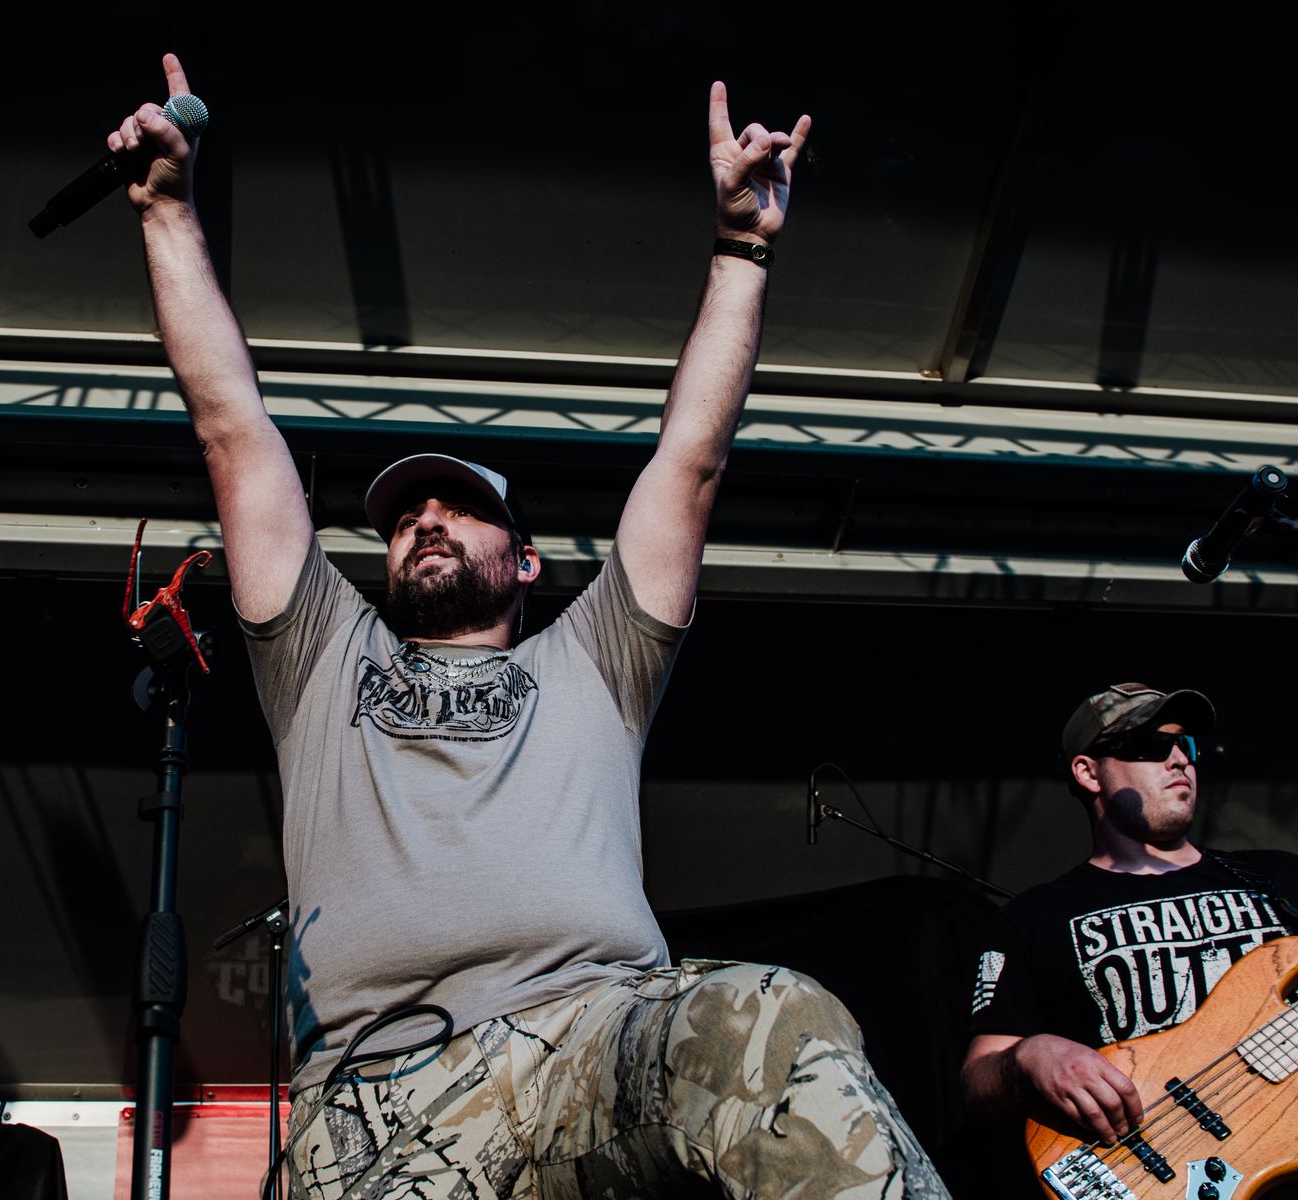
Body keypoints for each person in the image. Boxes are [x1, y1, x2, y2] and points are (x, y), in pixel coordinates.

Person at [111, 54, 946, 1198]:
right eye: (405, 515)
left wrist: (741, 251)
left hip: (585, 1044)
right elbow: (233, 429)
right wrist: (165, 211)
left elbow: (690, 461)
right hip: (373, 1097)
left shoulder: (596, 658)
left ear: (528, 559)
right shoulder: (321, 658)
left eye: (460, 508)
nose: (427, 520)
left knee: (766, 1017)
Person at [962, 682, 1298, 1152]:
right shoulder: (1035, 917)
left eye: (1186, 745)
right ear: (1088, 772)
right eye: (1151, 745)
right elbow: (977, 1083)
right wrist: (1028, 1056)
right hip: (1152, 1160)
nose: (1179, 760)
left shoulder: (1281, 878)